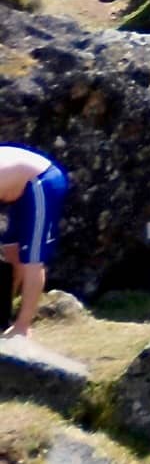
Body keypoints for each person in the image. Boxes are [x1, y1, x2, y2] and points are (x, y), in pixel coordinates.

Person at [0, 144, 69, 341]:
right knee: (11, 251)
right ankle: (5, 312)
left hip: (41, 182)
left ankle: (22, 327)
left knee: (32, 258)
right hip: (17, 190)